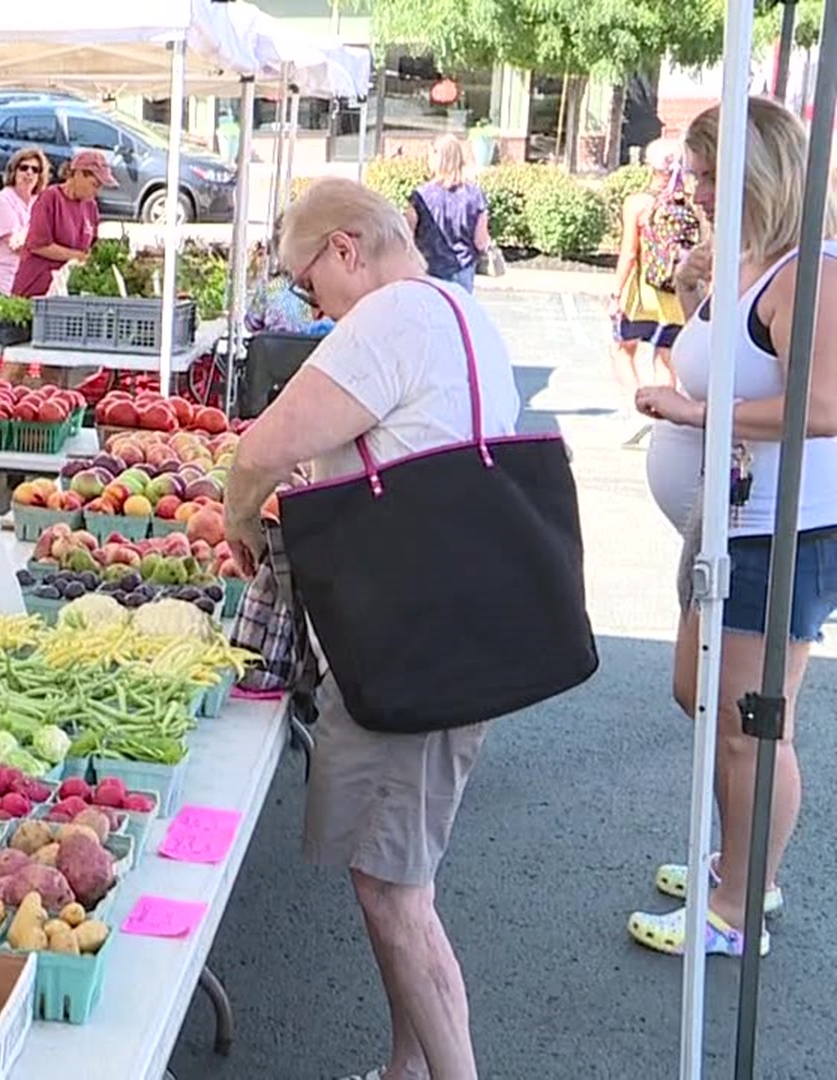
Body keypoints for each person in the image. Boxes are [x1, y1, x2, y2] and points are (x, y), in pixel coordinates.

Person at [222, 179, 520, 1080]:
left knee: (397, 895)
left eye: (308, 283)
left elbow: (262, 448)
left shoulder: (389, 320)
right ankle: (408, 1069)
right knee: (393, 878)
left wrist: (239, 521)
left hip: (406, 643)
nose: (309, 305)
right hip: (454, 628)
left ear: (347, 249)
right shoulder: (461, 316)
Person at [628, 97, 837, 959]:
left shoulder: (810, 270)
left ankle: (739, 903)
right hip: (727, 518)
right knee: (703, 696)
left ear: (761, 172)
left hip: (779, 530)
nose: (695, 189)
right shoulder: (752, 262)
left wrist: (691, 409)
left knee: (754, 724)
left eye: (710, 174)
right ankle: (740, 865)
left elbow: (820, 405)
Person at [609, 138, 693, 404]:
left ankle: (639, 405)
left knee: (622, 349)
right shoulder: (689, 203)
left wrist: (615, 293)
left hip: (641, 294)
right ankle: (662, 412)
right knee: (666, 357)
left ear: (649, 166)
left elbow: (630, 253)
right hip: (676, 293)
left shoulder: (637, 202)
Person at [10, 149, 115, 298]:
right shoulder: (49, 198)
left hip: (65, 291)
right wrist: (78, 256)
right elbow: (38, 245)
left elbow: (92, 246)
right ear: (78, 174)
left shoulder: (91, 206)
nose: (97, 191)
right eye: (95, 184)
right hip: (36, 289)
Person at [405, 134, 491, 292]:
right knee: (459, 313)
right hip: (463, 268)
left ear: (437, 158)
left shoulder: (421, 196)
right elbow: (481, 241)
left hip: (429, 268)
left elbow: (406, 236)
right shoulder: (476, 195)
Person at [0, 147, 49, 294]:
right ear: (14, 172)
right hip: (2, 280)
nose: (29, 173)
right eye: (23, 168)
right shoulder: (3, 199)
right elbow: (16, 245)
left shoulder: (38, 201)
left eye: (35, 169)